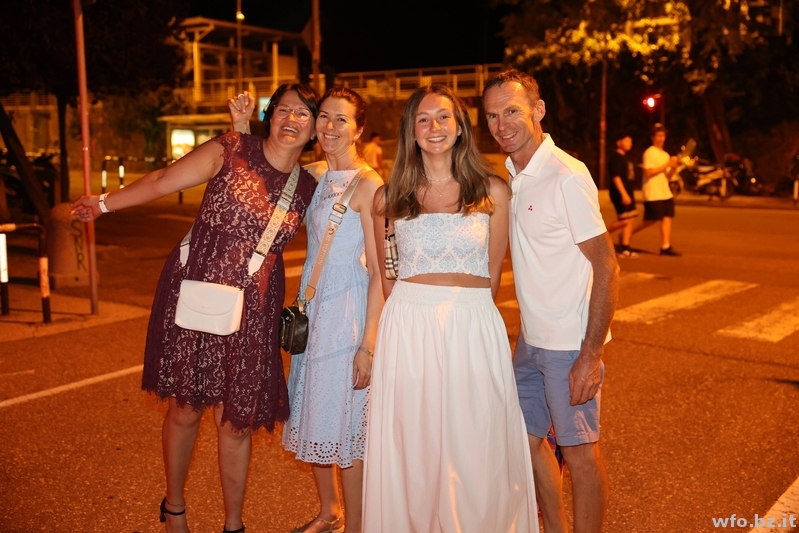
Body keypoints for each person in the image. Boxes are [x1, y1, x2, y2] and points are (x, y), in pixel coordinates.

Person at [71, 83, 321, 533]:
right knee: (186, 407)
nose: (291, 119)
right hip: (194, 287)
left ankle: (233, 524)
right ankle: (174, 507)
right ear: (270, 116)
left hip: (254, 307)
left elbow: (351, 196)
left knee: (235, 421)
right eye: (283, 109)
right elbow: (163, 180)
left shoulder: (308, 185)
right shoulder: (231, 148)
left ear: (314, 128)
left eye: (303, 113)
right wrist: (104, 203)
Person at [364, 84, 537, 532]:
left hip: (472, 323)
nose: (434, 127)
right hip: (409, 327)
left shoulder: (492, 191)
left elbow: (493, 275)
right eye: (423, 119)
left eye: (444, 117)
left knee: (475, 441)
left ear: (460, 127)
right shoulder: (389, 197)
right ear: (411, 131)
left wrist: (465, 317)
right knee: (416, 443)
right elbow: (386, 275)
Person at [231, 87, 384, 533]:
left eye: (342, 119)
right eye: (325, 117)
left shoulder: (370, 185)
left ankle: (356, 525)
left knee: (346, 427)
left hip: (348, 316)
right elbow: (257, 172)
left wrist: (368, 344)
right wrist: (241, 127)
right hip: (313, 315)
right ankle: (329, 512)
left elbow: (380, 272)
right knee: (317, 413)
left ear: (359, 129)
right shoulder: (312, 175)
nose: (330, 127)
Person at [483, 69, 619, 533]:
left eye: (512, 111)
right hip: (531, 341)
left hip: (567, 345)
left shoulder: (565, 175)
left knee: (581, 453)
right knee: (523, 441)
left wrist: (590, 354)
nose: (502, 124)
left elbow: (607, 266)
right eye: (493, 116)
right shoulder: (514, 174)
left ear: (538, 110)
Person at [634, 123, 681, 256]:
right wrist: (667, 164)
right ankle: (628, 234)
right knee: (650, 220)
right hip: (652, 192)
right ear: (653, 137)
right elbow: (648, 173)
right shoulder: (649, 153)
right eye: (658, 136)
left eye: (663, 136)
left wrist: (674, 167)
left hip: (665, 192)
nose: (661, 138)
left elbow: (668, 176)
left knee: (667, 217)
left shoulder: (665, 154)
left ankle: (665, 246)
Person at [606, 133, 639, 258]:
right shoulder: (616, 158)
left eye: (630, 141)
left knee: (630, 218)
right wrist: (623, 193)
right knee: (624, 220)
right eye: (626, 141)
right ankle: (601, 236)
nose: (629, 144)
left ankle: (625, 247)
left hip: (628, 191)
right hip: (620, 192)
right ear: (618, 142)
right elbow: (616, 177)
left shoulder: (626, 157)